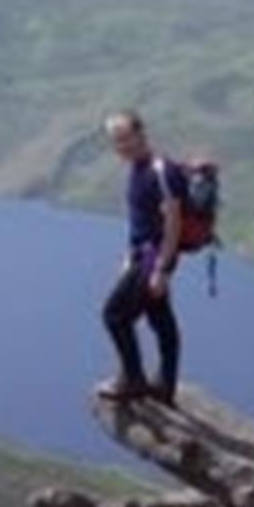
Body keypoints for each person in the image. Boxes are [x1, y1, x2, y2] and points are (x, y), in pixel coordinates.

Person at [96, 109, 185, 406]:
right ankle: (165, 388)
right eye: (117, 141)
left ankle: (133, 380)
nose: (122, 146)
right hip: (141, 256)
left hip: (153, 259)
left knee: (114, 316)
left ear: (141, 133)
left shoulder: (161, 171)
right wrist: (127, 256)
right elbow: (142, 221)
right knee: (160, 320)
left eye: (126, 138)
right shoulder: (137, 168)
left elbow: (174, 223)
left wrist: (161, 269)